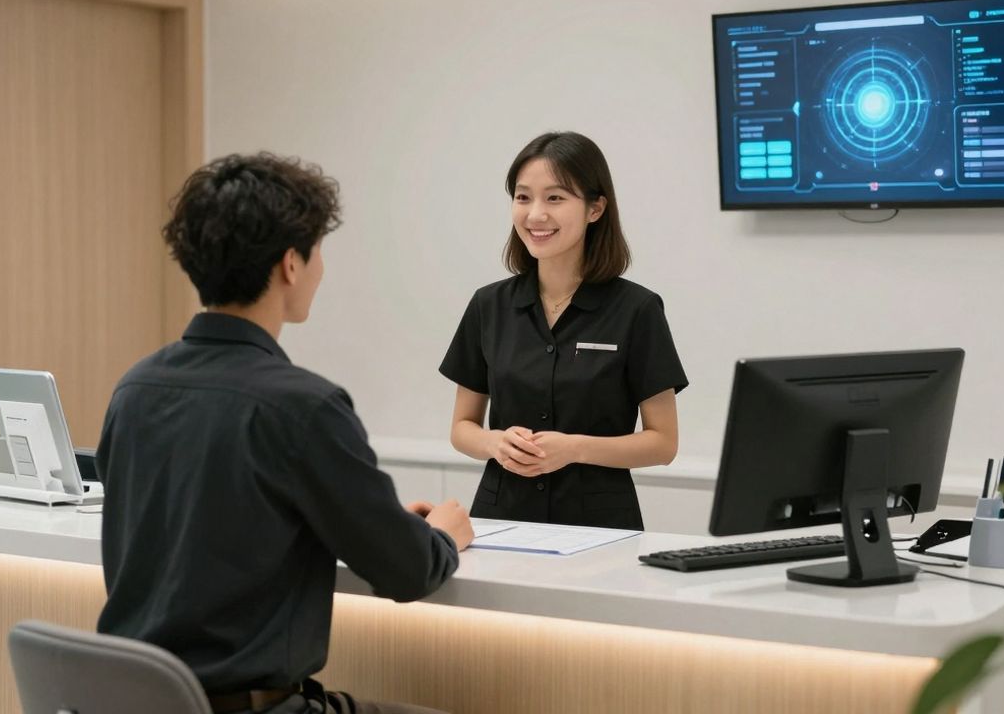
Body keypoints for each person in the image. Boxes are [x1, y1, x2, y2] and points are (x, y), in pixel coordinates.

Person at [95, 152, 473, 714]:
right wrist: (442, 535)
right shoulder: (303, 407)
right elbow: (407, 571)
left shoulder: (134, 389)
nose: (321, 269)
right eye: (318, 250)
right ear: (290, 264)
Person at [440, 132, 688, 531]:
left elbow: (663, 443)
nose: (535, 214)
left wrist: (573, 448)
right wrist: (494, 443)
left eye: (555, 198)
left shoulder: (637, 310)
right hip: (501, 519)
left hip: (600, 526)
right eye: (523, 198)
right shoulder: (488, 306)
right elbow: (461, 428)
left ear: (595, 208)